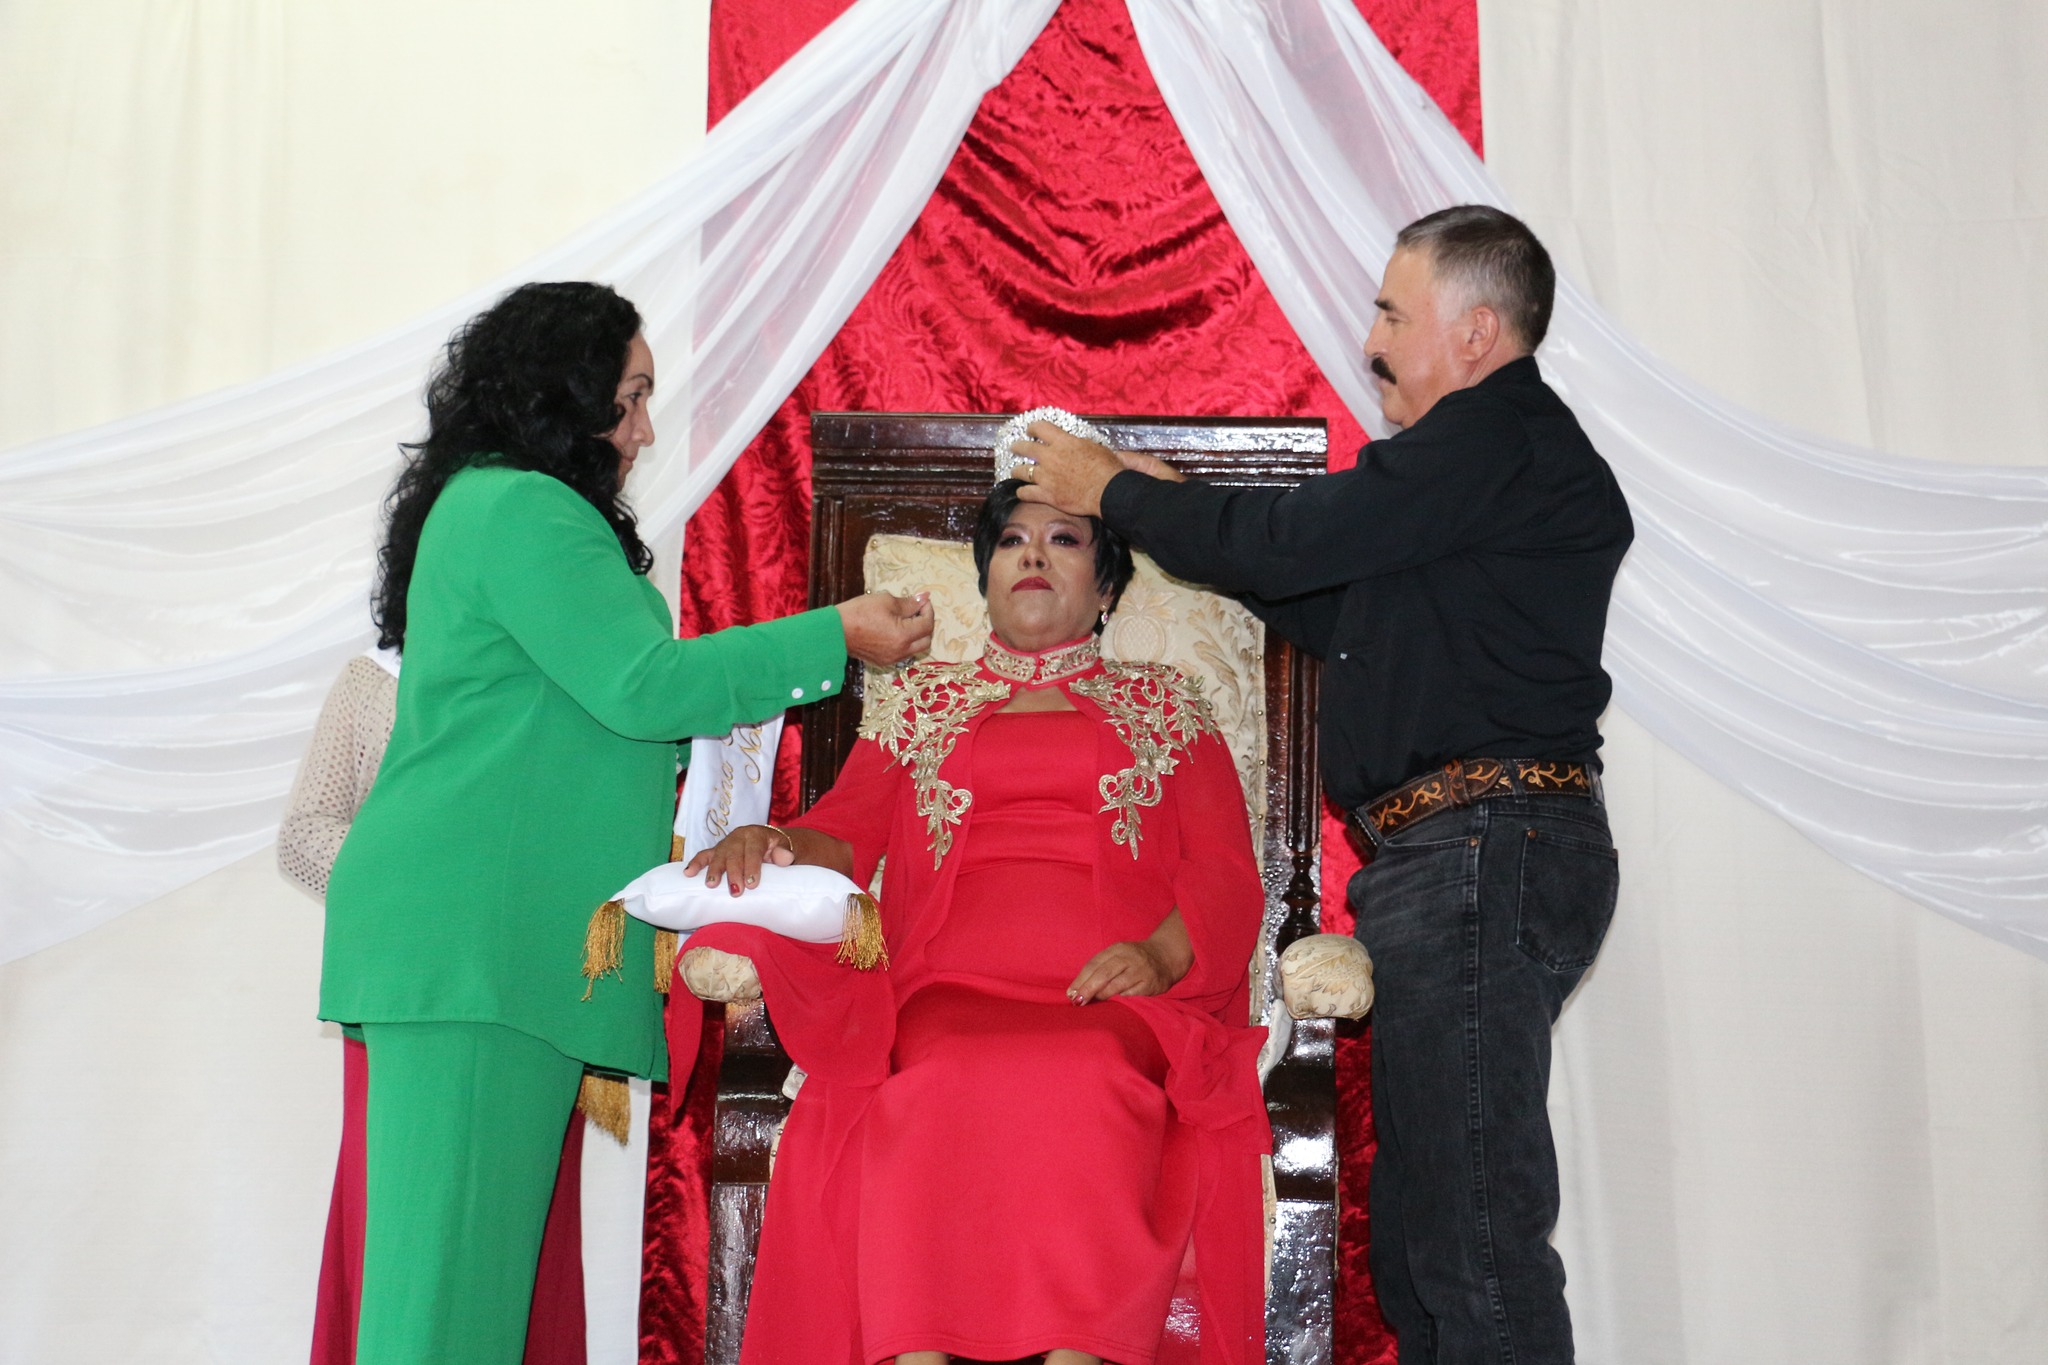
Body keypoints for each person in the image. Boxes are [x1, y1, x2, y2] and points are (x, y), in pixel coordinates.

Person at [1011, 205, 1634, 1364]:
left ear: (1475, 333)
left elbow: (1290, 543)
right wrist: (1166, 508)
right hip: (1459, 853)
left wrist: (1116, 491)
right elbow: (1323, 603)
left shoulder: (1488, 436)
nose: (1371, 342)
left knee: (1471, 1240)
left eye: (1393, 315)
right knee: (1422, 1236)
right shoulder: (1473, 483)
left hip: (1482, 847)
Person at [318, 280, 933, 1365]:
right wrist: (831, 635)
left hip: (483, 947)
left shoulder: (492, 504)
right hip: (478, 944)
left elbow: (593, 711)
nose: (644, 430)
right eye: (629, 397)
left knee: (469, 1304)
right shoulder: (520, 508)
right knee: (445, 1315)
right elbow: (643, 687)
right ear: (562, 393)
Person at [684, 479, 1272, 1365]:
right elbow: (845, 834)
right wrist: (777, 839)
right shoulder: (921, 702)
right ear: (985, 577)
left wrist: (1159, 954)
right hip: (945, 987)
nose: (1032, 554)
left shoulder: (1169, 702)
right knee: (935, 1070)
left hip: (1112, 997)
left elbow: (1225, 871)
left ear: (1108, 586)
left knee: (1086, 1070)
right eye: (1011, 541)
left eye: (1065, 539)